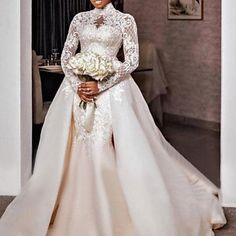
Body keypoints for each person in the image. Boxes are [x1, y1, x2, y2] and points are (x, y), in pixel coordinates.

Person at [0, 0, 226, 235]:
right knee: (73, 146)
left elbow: (131, 61)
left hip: (112, 92)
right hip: (75, 90)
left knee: (102, 145)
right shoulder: (79, 18)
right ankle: (74, 205)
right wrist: (78, 84)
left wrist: (101, 84)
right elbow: (67, 57)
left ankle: (106, 210)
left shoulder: (125, 20)